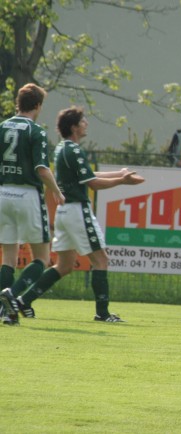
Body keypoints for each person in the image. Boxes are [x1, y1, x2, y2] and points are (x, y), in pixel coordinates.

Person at [6, 106, 144, 322]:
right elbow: (93, 183)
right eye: (82, 121)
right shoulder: (74, 150)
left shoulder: (63, 148)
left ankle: (24, 300)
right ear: (74, 127)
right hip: (78, 210)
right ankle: (103, 314)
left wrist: (119, 172)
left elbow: (88, 174)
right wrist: (122, 181)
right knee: (101, 261)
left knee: (64, 265)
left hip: (64, 213)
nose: (86, 123)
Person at [0, 83, 65, 325]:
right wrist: (56, 190)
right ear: (37, 106)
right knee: (42, 257)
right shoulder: (35, 132)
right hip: (26, 195)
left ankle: (4, 312)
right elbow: (41, 168)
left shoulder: (2, 128)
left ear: (18, 102)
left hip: (3, 194)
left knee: (8, 257)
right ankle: (12, 296)